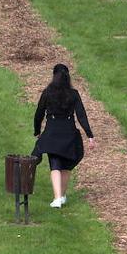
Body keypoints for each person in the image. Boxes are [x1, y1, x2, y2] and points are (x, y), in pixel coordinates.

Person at [32, 64, 95, 209]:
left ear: (54, 76)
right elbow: (81, 115)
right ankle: (61, 196)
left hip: (52, 131)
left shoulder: (48, 92)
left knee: (55, 165)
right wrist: (89, 135)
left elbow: (39, 113)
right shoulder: (73, 94)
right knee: (66, 166)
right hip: (69, 131)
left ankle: (57, 197)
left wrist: (37, 130)